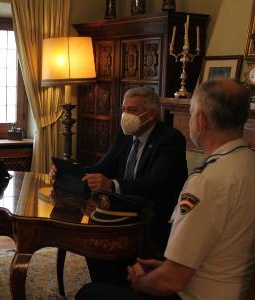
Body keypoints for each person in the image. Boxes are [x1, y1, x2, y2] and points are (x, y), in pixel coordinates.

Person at [76, 79, 255, 300]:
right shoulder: (247, 161)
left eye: (190, 112)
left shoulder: (206, 181)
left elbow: (170, 281)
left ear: (200, 119)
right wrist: (161, 265)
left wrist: (139, 281)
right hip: (228, 287)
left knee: (89, 293)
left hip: (191, 294)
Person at [50, 87, 188, 283]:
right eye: (123, 109)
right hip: (117, 211)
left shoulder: (170, 139)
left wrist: (113, 186)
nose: (124, 115)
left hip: (149, 215)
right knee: (93, 233)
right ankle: (103, 286)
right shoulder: (124, 137)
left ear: (150, 115)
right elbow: (100, 169)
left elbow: (158, 184)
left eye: (131, 110)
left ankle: (117, 287)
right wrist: (63, 170)